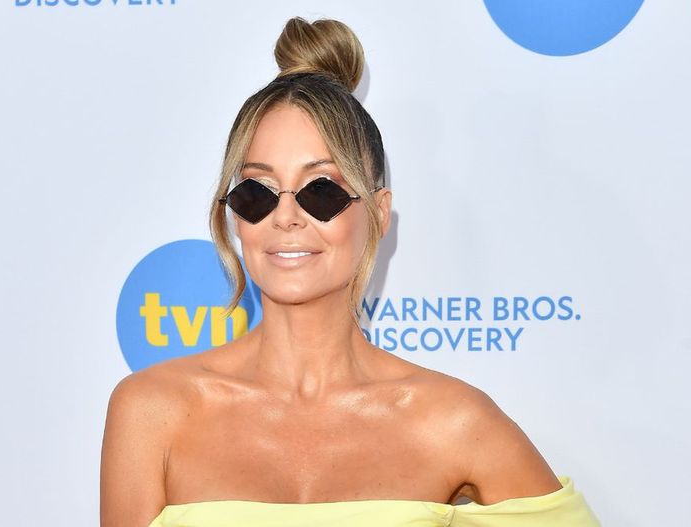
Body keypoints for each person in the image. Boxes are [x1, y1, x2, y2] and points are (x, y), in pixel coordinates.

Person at [100, 16, 601, 527]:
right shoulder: (152, 412)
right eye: (256, 192)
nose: (286, 216)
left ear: (379, 213)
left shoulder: (452, 421)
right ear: (233, 214)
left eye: (322, 190)